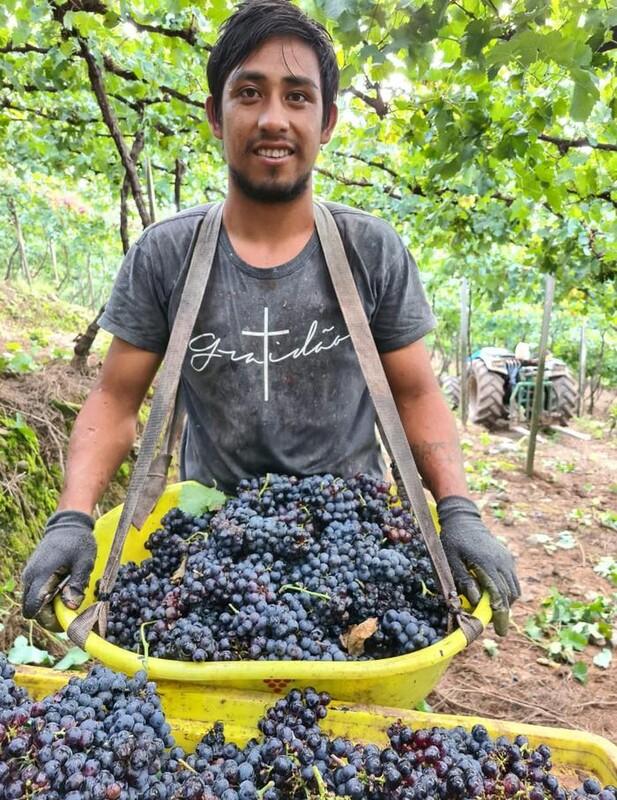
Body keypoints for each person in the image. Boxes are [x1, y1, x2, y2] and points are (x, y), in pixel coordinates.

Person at [22, 0, 520, 636]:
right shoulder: (165, 254)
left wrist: (458, 511)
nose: (273, 118)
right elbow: (115, 401)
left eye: (298, 96)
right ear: (215, 113)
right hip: (216, 554)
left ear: (329, 120)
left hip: (354, 548)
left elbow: (417, 392)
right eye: (249, 93)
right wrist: (71, 517)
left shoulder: (372, 251)